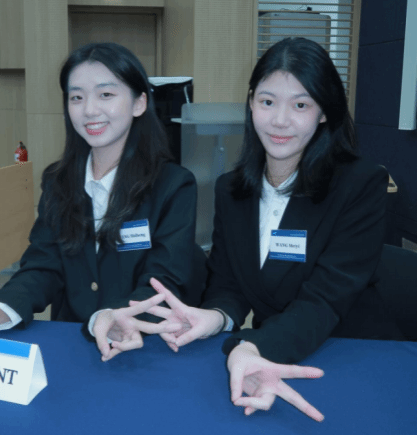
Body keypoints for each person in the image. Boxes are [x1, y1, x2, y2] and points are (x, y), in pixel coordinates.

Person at [137, 37, 406, 421]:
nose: (280, 120)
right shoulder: (231, 189)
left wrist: (253, 346)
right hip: (267, 361)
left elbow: (325, 299)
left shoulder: (360, 184)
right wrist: (216, 317)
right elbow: (228, 283)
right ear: (251, 103)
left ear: (324, 112)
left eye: (301, 105)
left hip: (351, 353)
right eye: (267, 102)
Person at [0, 42, 206, 362]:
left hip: (138, 346)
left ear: (139, 103)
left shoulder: (172, 185)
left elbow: (165, 278)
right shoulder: (58, 181)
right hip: (70, 346)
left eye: (106, 94)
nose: (89, 110)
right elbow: (43, 267)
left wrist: (114, 316)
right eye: (76, 97)